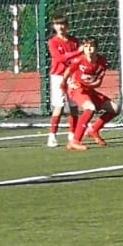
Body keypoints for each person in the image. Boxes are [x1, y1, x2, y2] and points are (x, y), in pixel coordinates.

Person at [63, 37, 119, 150]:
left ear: (97, 49)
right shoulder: (79, 60)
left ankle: (93, 130)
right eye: (86, 47)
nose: (88, 49)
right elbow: (68, 71)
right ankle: (75, 141)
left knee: (115, 109)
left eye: (91, 46)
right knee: (90, 108)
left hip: (89, 90)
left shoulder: (102, 62)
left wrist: (88, 86)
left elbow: (98, 82)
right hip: (77, 90)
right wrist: (65, 83)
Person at [46, 15, 82, 148]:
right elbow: (59, 58)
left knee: (74, 105)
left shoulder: (74, 41)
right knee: (59, 106)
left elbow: (79, 57)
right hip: (58, 76)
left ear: (67, 26)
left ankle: (73, 134)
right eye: (57, 24)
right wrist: (76, 53)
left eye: (62, 24)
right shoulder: (53, 42)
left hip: (73, 76)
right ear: (54, 26)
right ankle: (52, 135)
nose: (60, 27)